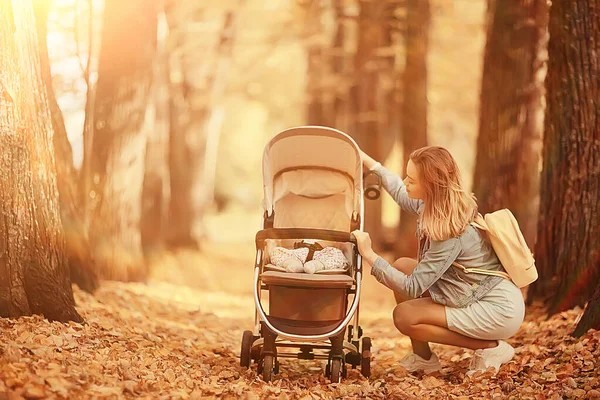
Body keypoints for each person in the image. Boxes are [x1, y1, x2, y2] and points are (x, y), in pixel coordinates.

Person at [352, 146, 525, 375]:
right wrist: (371, 163)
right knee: (403, 265)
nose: (405, 182)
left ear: (431, 185)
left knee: (405, 317)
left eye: (412, 179)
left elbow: (413, 288)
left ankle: (491, 347)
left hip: (496, 308)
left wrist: (369, 255)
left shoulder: (447, 231)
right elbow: (400, 194)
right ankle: (424, 359)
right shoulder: (432, 204)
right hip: (469, 291)